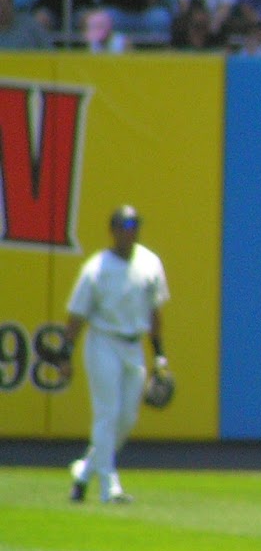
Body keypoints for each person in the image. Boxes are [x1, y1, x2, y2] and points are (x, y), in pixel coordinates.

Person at [65, 206, 170, 504]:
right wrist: (65, 354)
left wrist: (160, 356)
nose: (129, 230)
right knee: (107, 413)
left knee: (127, 418)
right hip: (103, 341)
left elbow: (155, 312)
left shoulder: (149, 263)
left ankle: (84, 472)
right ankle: (109, 488)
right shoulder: (96, 268)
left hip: (133, 345)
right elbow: (77, 315)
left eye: (134, 224)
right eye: (123, 225)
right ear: (112, 230)